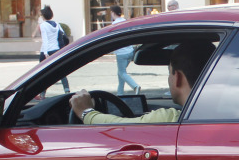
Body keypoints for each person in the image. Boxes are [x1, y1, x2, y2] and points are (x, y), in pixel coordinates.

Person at [70, 41, 214, 124]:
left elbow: (120, 127)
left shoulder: (169, 119)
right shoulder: (226, 112)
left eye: (169, 73)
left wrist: (86, 112)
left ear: (178, 78)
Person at [36, 5, 69, 93]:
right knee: (61, 71)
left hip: (46, 50)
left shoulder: (43, 25)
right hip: (57, 49)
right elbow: (63, 35)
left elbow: (45, 39)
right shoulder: (57, 24)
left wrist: (46, 52)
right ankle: (67, 90)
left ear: (43, 16)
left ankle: (42, 93)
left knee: (43, 73)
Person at [109, 4, 140, 94]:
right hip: (130, 51)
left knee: (122, 72)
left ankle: (135, 86)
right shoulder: (126, 22)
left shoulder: (114, 25)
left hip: (121, 53)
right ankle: (120, 93)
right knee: (121, 73)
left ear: (113, 13)